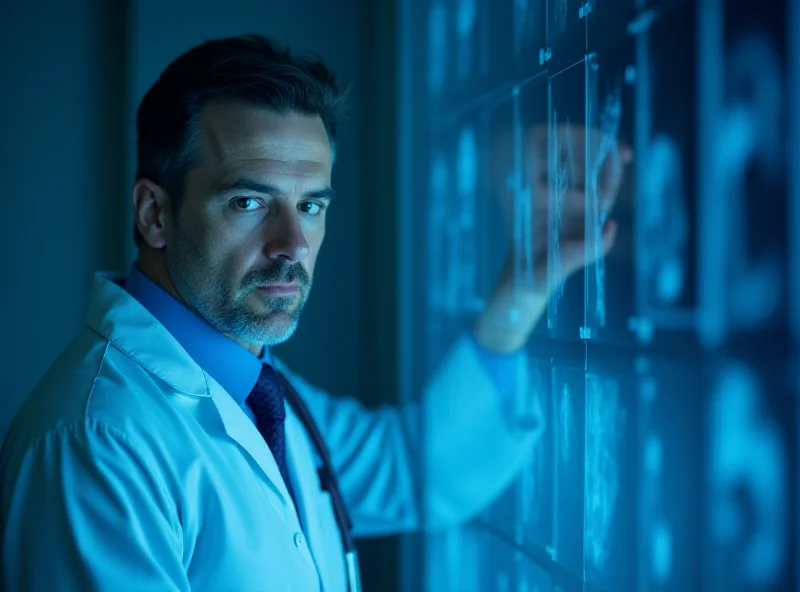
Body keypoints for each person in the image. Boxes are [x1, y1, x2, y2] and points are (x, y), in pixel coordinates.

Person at [0, 34, 630, 591]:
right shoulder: (97, 441)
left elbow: (412, 471)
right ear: (154, 214)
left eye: (312, 205)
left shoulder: (256, 389)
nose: (293, 245)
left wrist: (523, 282)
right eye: (249, 202)